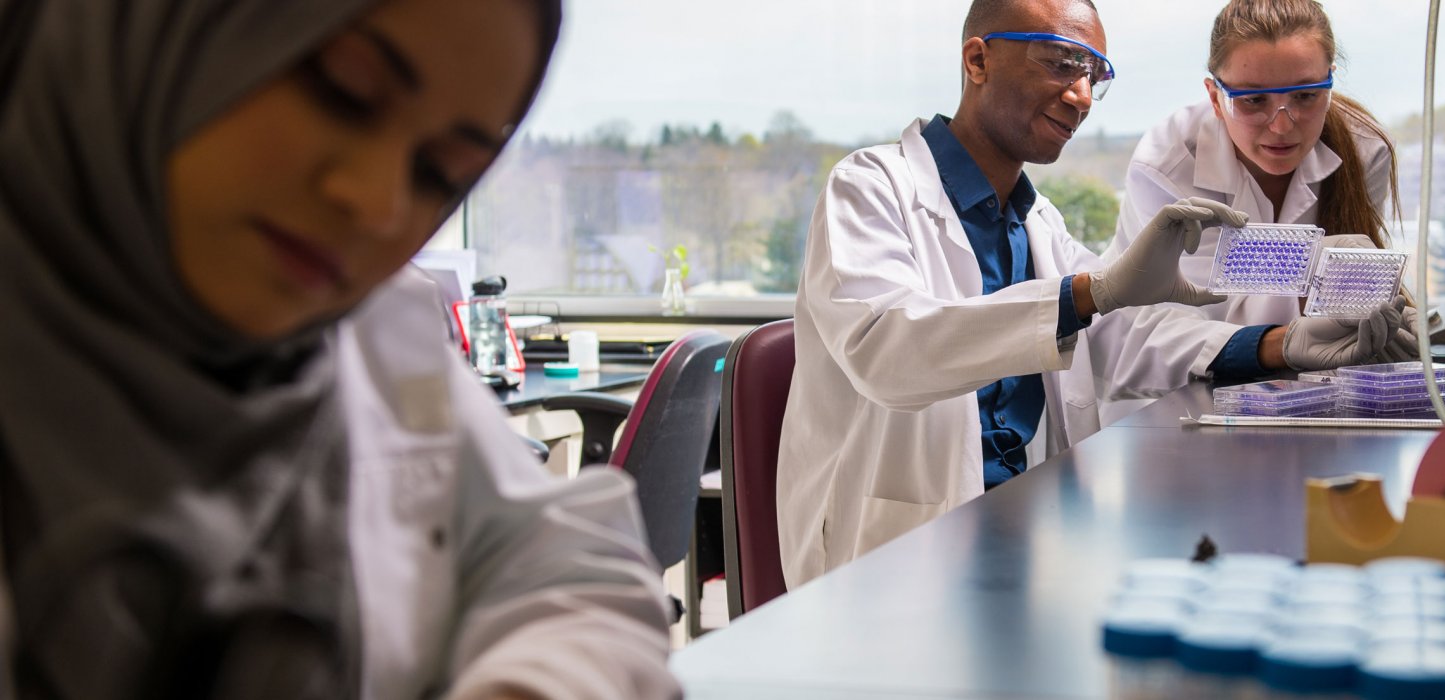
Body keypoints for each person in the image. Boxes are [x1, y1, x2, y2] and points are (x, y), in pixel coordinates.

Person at [0, 1, 679, 698]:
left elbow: (568, 565)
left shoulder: (366, 334)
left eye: (440, 173)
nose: (378, 203)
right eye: (344, 92)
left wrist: (537, 684)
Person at [777, 0, 1260, 587]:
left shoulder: (1037, 222)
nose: (1081, 96)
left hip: (1026, 535)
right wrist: (1085, 295)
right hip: (896, 554)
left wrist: (1280, 345)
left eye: (1093, 77)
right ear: (978, 60)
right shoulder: (869, 189)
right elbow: (886, 350)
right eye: (1061, 64)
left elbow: (1125, 333)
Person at [1091, 0, 1420, 425]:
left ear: (1329, 85)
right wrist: (1319, 269)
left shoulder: (1363, 150)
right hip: (1176, 406)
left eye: (1304, 96)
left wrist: (1383, 315)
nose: (1282, 125)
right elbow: (1196, 308)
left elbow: (1337, 315)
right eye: (1253, 101)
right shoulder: (1170, 163)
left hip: (1310, 407)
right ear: (1215, 96)